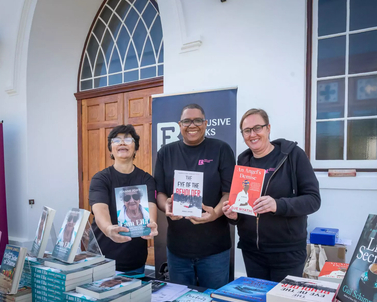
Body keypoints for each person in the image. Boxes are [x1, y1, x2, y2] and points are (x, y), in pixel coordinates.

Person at [222, 108, 321, 282]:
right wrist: (234, 215)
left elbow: (313, 200)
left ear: (268, 128)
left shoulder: (292, 156)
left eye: (257, 128)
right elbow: (244, 206)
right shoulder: (243, 161)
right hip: (252, 251)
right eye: (247, 130)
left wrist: (278, 205)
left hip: (287, 252)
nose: (252, 134)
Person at [154, 104, 235, 289]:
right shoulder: (165, 153)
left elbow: (229, 193)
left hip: (215, 250)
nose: (192, 125)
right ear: (179, 124)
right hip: (178, 249)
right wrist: (165, 206)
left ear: (205, 123)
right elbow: (159, 193)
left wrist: (214, 213)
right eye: (186, 121)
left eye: (197, 120)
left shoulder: (221, 149)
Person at [89, 125, 158, 276]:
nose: (122, 143)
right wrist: (108, 229)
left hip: (134, 260)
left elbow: (150, 205)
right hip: (102, 260)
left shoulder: (146, 179)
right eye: (117, 140)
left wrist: (151, 223)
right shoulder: (101, 178)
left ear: (135, 148)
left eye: (128, 139)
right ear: (111, 149)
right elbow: (100, 209)